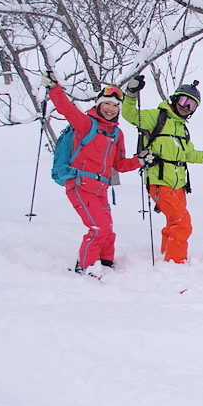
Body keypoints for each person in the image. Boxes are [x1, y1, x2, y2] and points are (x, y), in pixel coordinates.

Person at [41, 71, 156, 275]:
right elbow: (67, 109)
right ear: (98, 104)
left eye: (115, 106)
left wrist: (139, 160)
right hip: (79, 185)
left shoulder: (116, 133)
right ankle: (86, 266)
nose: (111, 109)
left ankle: (105, 262)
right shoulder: (86, 124)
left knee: (108, 230)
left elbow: (119, 164)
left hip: (101, 188)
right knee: (98, 228)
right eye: (107, 104)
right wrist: (54, 88)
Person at [121, 76, 203, 263]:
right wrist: (131, 93)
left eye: (191, 105)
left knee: (173, 221)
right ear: (175, 98)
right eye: (184, 101)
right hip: (158, 181)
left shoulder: (182, 129)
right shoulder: (156, 117)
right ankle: (176, 262)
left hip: (179, 185)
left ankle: (168, 254)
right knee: (182, 222)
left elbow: (190, 154)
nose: (186, 107)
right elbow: (129, 114)